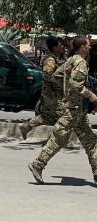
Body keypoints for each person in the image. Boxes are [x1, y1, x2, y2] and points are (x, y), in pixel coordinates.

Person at [28, 36, 97, 184]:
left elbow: (57, 76)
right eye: (88, 45)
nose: (90, 47)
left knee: (91, 141)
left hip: (76, 110)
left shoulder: (70, 60)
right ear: (82, 47)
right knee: (59, 139)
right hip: (73, 110)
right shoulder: (80, 62)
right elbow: (75, 83)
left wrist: (65, 90)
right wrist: (91, 95)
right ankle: (37, 164)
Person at [19, 37, 66, 140]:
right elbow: (48, 75)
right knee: (63, 116)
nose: (62, 47)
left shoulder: (58, 58)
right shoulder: (50, 60)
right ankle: (58, 141)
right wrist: (60, 82)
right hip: (52, 94)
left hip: (56, 94)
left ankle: (27, 126)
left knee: (48, 117)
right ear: (54, 47)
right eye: (60, 45)